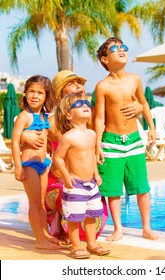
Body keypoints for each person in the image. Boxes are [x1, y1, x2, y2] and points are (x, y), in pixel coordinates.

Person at [21, 70, 144, 242]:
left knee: (95, 222)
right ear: (60, 93)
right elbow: (24, 129)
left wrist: (140, 106)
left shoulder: (93, 114)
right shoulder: (49, 122)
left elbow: (118, 118)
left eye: (80, 82)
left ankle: (77, 234)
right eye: (72, 83)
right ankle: (57, 221)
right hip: (61, 180)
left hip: (87, 179)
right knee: (72, 211)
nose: (79, 85)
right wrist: (23, 135)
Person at [95, 37, 159, 241]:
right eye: (115, 48)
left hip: (133, 139)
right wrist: (97, 145)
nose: (121, 50)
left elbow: (144, 103)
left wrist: (151, 128)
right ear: (105, 59)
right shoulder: (102, 86)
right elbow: (99, 118)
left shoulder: (135, 79)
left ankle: (146, 227)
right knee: (113, 189)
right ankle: (118, 228)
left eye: (123, 47)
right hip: (111, 141)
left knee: (141, 186)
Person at [53, 92, 110, 259]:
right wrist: (65, 175)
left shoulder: (92, 134)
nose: (85, 105)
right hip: (75, 183)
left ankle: (91, 244)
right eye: (78, 105)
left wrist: (96, 174)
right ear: (68, 115)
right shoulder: (68, 137)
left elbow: (92, 156)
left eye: (85, 102)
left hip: (91, 184)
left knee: (92, 215)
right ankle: (76, 245)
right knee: (74, 217)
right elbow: (58, 157)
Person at [11, 75, 60, 250]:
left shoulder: (45, 117)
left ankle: (45, 234)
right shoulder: (24, 116)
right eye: (31, 91)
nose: (35, 96)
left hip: (43, 164)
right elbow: (15, 141)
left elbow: (48, 139)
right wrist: (17, 166)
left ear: (46, 96)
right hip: (29, 164)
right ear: (25, 94)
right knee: (33, 203)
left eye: (40, 92)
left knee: (41, 202)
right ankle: (39, 239)